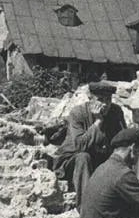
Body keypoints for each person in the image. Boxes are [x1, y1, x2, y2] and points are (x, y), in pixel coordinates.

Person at [52, 82, 125, 210]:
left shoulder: (115, 112)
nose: (105, 104)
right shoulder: (77, 113)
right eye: (100, 99)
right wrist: (98, 121)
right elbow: (80, 146)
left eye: (108, 99)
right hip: (72, 161)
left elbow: (123, 140)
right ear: (90, 99)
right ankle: (87, 208)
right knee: (83, 157)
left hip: (99, 159)